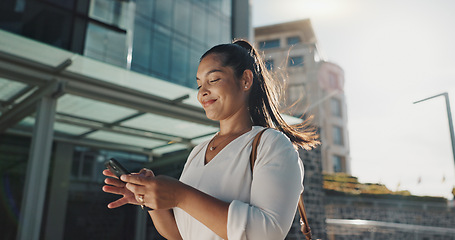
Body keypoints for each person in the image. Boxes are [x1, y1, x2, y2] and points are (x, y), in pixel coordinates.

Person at [102, 39, 319, 240]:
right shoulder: (198, 151)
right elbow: (180, 234)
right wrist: (150, 199)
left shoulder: (272, 144)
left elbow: (267, 233)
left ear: (245, 80)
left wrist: (180, 195)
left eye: (213, 80)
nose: (202, 93)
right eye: (199, 85)